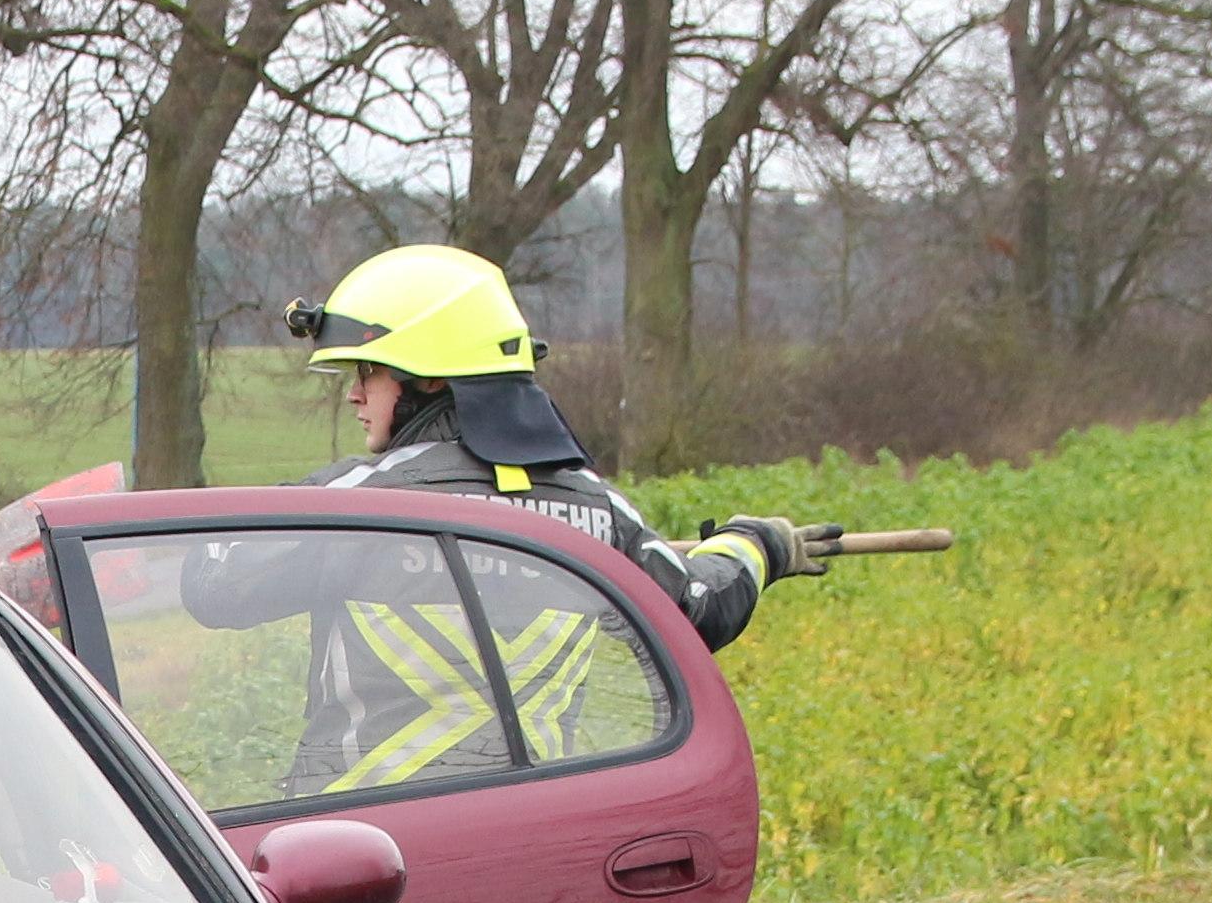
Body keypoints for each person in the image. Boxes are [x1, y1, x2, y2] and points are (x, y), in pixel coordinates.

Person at [281, 244, 818, 651]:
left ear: (430, 379)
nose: (354, 393)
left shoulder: (352, 501)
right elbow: (700, 609)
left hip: (372, 802)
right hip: (543, 802)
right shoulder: (596, 509)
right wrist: (756, 544)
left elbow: (216, 587)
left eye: (367, 370)